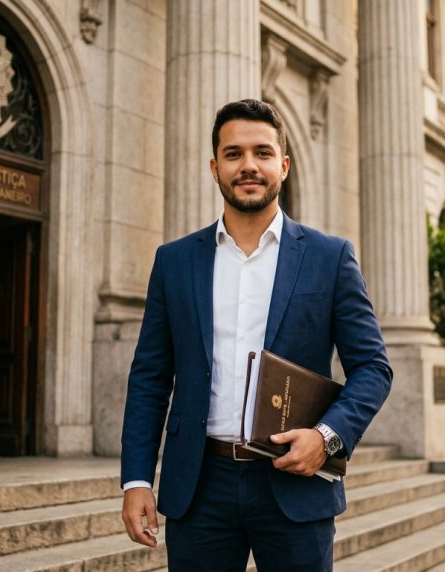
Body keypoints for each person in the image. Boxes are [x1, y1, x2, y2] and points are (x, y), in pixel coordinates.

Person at [119, 99, 393, 571]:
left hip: (295, 483)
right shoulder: (175, 261)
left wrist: (326, 437)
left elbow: (373, 368)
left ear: (283, 166)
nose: (249, 165)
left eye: (263, 153)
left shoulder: (331, 258)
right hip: (199, 486)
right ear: (214, 167)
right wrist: (137, 480)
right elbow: (150, 376)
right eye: (234, 154)